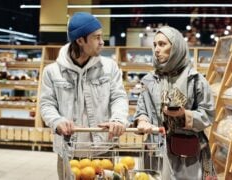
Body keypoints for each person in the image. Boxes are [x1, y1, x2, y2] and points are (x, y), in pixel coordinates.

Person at [39, 12, 129, 179]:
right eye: (96, 37)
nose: (102, 42)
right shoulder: (52, 72)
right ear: (80, 40)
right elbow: (46, 104)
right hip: (68, 151)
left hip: (103, 149)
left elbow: (119, 97)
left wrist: (118, 119)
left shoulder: (109, 68)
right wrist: (57, 121)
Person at [133, 26, 217, 179]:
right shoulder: (149, 80)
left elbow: (208, 114)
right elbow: (142, 110)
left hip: (187, 156)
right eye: (155, 45)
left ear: (176, 46)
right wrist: (143, 121)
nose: (157, 49)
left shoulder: (196, 80)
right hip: (154, 153)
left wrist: (184, 115)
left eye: (162, 44)